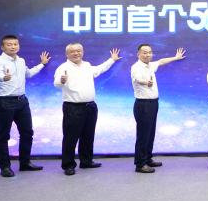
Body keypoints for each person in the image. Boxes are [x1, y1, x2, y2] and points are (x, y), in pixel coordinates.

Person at [54, 43, 120, 175]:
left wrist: (112, 60)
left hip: (90, 106)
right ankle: (68, 165)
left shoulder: (87, 65)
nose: (76, 53)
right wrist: (62, 81)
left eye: (78, 51)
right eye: (73, 51)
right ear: (67, 54)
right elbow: (56, 84)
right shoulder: (63, 67)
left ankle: (86, 161)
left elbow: (100, 69)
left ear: (82, 52)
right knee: (70, 137)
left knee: (88, 136)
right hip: (73, 107)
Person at [0, 35, 50, 177]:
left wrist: (42, 64)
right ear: (2, 47)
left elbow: (28, 74)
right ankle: (5, 167)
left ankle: (25, 163)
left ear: (19, 46)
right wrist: (4, 77)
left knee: (27, 132)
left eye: (15, 44)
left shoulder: (21, 61)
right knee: (3, 135)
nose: (13, 46)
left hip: (22, 101)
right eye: (9, 44)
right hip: (5, 102)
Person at [130, 44, 186, 173]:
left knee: (150, 133)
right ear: (138, 54)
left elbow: (161, 61)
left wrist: (176, 57)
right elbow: (137, 79)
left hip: (153, 104)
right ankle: (140, 164)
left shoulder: (150, 65)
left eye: (150, 52)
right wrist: (146, 82)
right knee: (143, 135)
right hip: (143, 105)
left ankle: (147, 159)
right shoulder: (136, 67)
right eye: (144, 52)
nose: (148, 55)